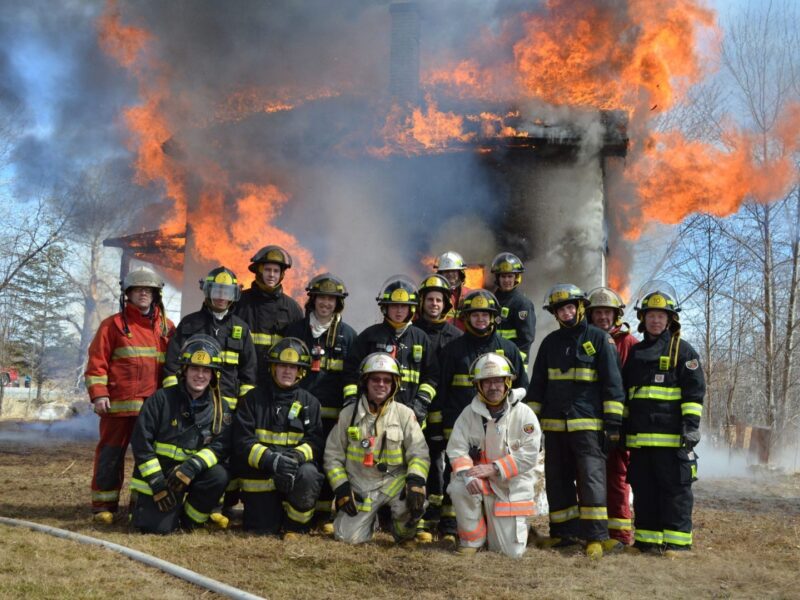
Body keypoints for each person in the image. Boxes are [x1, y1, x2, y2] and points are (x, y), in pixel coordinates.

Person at [527, 283, 625, 559]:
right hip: (555, 427)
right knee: (557, 480)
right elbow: (537, 387)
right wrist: (531, 425)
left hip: (588, 426)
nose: (567, 313)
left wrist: (613, 424)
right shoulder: (550, 343)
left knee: (591, 481)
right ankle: (563, 534)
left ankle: (595, 537)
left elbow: (613, 385)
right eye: (561, 309)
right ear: (555, 314)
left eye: (571, 307)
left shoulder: (599, 339)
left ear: (580, 308)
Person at [84, 266, 174, 525]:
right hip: (118, 407)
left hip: (152, 409)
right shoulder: (112, 325)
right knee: (110, 455)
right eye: (138, 289)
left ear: (156, 294)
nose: (143, 294)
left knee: (147, 459)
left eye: (148, 290)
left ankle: (140, 503)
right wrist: (98, 394)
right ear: (128, 294)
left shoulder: (167, 328)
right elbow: (96, 363)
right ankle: (104, 505)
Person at [436, 289, 528, 541]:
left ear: (493, 318)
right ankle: (449, 526)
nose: (480, 319)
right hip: (462, 425)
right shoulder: (453, 350)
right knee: (456, 474)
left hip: (500, 427)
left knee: (496, 475)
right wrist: (438, 426)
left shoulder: (508, 350)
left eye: (485, 315)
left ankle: (494, 526)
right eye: (475, 315)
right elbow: (441, 389)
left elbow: (522, 388)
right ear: (467, 318)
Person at [622, 283, 705, 558]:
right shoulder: (635, 353)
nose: (655, 320)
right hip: (641, 441)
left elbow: (694, 394)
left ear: (670, 319)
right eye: (650, 315)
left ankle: (678, 544)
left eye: (661, 315)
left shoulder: (684, 352)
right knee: (644, 491)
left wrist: (691, 427)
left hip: (672, 441)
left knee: (675, 492)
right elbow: (627, 396)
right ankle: (647, 542)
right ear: (643, 319)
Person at [129, 335, 232, 533]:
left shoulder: (221, 408)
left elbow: (221, 446)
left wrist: (193, 466)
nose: (200, 375)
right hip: (161, 475)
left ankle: (189, 520)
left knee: (219, 474)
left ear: (213, 375)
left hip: (192, 473)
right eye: (195, 368)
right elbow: (141, 443)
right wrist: (157, 483)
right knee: (156, 529)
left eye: (206, 370)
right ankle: (159, 514)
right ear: (184, 371)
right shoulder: (161, 400)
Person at [324, 352, 430, 545]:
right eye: (375, 379)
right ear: (365, 382)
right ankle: (368, 523)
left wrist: (415, 481)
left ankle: (403, 531)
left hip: (394, 481)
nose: (381, 384)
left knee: (416, 501)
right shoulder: (349, 414)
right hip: (361, 484)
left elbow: (419, 453)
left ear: (394, 384)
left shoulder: (405, 415)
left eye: (387, 380)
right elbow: (332, 456)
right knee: (347, 539)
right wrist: (342, 488)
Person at [447, 352, 541, 557]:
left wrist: (495, 468)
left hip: (509, 488)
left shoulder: (524, 414)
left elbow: (529, 454)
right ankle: (472, 542)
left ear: (507, 382)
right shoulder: (468, 414)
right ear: (478, 386)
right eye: (487, 382)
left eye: (498, 380)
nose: (493, 387)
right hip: (479, 483)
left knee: (511, 554)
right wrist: (468, 473)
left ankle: (509, 532)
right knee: (459, 485)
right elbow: (456, 449)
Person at [284, 273, 357, 532]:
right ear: (312, 300)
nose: (326, 303)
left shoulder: (348, 336)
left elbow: (351, 376)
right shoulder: (296, 331)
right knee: (299, 458)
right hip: (297, 411)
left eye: (331, 299)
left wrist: (348, 409)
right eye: (321, 298)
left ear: (338, 304)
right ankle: (296, 508)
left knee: (329, 460)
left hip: (332, 415)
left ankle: (324, 514)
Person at [233, 337, 325, 537]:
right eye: (282, 365)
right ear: (273, 368)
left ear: (301, 371)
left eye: (293, 367)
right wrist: (272, 461)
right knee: (262, 530)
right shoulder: (252, 400)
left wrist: (294, 459)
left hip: (295, 471)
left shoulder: (311, 403)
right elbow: (242, 441)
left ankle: (296, 527)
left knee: (309, 474)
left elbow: (315, 442)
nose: (287, 371)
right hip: (261, 473)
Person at [342, 275, 438, 424]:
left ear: (411, 308)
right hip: (372, 416)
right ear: (385, 307)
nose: (399, 311)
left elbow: (432, 376)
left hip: (410, 418)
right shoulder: (370, 336)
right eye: (394, 306)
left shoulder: (421, 338)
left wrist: (421, 403)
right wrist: (352, 399)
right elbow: (350, 371)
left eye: (403, 306)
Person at [163, 267, 256, 411]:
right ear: (207, 291)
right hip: (189, 404)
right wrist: (174, 399)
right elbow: (172, 365)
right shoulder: (189, 323)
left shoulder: (241, 328)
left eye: (227, 292)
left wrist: (243, 406)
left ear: (234, 295)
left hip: (227, 408)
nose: (222, 297)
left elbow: (248, 372)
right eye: (217, 291)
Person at [587, 286, 638, 548]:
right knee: (591, 478)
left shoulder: (627, 343)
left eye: (607, 312)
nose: (603, 317)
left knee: (617, 477)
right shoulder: (585, 340)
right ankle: (595, 530)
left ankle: (620, 534)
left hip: (617, 424)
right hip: (588, 422)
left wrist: (620, 424)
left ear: (616, 315)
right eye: (597, 312)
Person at [413, 274, 463, 542]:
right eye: (430, 299)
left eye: (439, 300)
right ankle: (424, 517)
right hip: (417, 411)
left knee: (451, 465)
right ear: (422, 302)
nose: (434, 304)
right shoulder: (413, 333)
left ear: (446, 304)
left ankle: (449, 523)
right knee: (425, 462)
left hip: (448, 412)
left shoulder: (456, 336)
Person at [234, 245, 303, 384]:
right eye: (267, 270)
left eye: (276, 271)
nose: (272, 275)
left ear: (281, 274)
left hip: (276, 383)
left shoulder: (292, 308)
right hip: (242, 380)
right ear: (259, 271)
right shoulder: (240, 302)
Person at [490, 252, 536, 366]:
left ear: (516, 277)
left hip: (514, 362)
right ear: (497, 278)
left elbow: (526, 339)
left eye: (510, 276)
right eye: (503, 276)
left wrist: (514, 361)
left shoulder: (522, 304)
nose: (506, 280)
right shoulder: (491, 301)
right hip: (492, 360)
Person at [434, 251, 472, 329]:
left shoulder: (470, 294)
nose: (450, 274)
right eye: (446, 271)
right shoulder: (435, 295)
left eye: (453, 270)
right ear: (440, 274)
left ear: (460, 273)